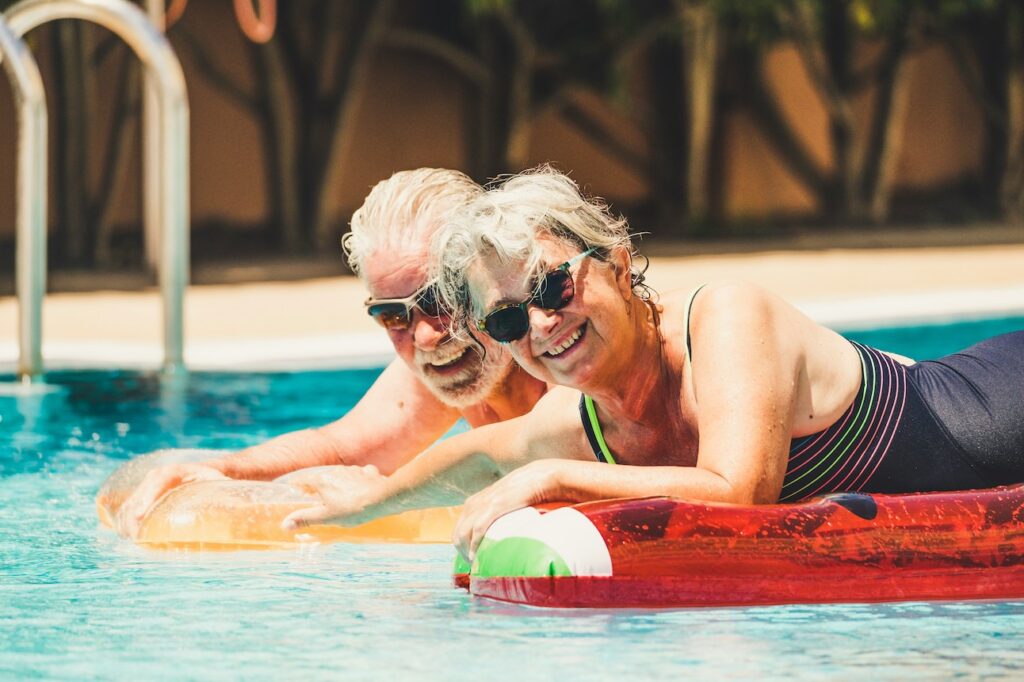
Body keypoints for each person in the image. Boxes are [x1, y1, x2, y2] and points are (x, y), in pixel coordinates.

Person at [282, 165, 1024, 562]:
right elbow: (474, 458)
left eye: (552, 285)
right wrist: (358, 509)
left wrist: (551, 478)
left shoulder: (725, 318)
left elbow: (740, 492)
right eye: (507, 319)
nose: (541, 325)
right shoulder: (580, 421)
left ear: (616, 257)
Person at [117, 168, 548, 537]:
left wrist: (385, 496)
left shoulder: (560, 351)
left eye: (441, 298)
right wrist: (224, 470)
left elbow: (529, 449)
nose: (425, 337)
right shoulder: (451, 360)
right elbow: (343, 448)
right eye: (392, 315)